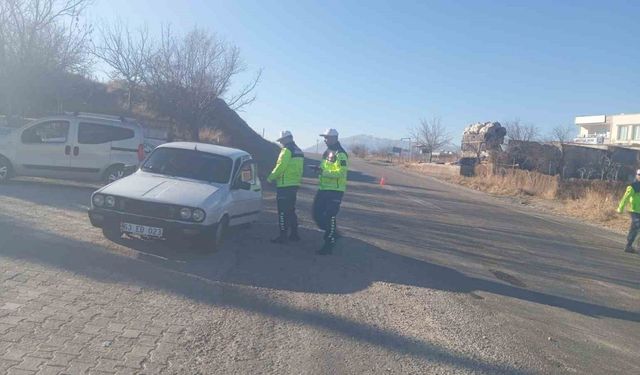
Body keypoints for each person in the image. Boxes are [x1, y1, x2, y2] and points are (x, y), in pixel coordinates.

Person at [310, 128, 348, 255]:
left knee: (329, 216)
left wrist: (323, 172)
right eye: (324, 137)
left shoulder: (341, 154)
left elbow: (341, 173)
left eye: (327, 138)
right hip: (323, 188)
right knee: (316, 215)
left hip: (335, 190)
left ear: (335, 138)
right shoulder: (327, 152)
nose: (325, 140)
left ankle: (329, 243)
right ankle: (334, 233)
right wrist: (318, 169)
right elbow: (324, 167)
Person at [267, 131, 304, 244]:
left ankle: (283, 236)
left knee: (282, 212)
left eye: (281, 140)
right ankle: (294, 234)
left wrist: (270, 178)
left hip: (284, 185)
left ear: (287, 139)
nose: (281, 143)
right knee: (291, 210)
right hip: (294, 184)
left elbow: (280, 167)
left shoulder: (287, 151)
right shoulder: (299, 151)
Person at [617, 169, 640, 254]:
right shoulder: (633, 186)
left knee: (634, 228)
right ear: (636, 175)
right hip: (634, 210)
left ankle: (629, 245)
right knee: (638, 225)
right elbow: (625, 198)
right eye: (639, 174)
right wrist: (620, 208)